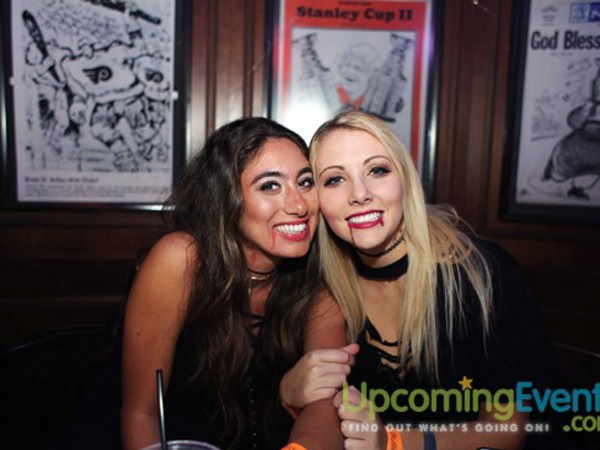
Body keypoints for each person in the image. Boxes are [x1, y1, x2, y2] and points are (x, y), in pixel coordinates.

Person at [280, 111, 581, 449]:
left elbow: (508, 431)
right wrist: (290, 392)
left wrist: (393, 441)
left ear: (405, 179)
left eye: (377, 170)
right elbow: (325, 408)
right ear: (316, 200)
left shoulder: (482, 275)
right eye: (335, 179)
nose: (360, 193)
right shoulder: (327, 287)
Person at [121, 117, 349, 450]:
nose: (299, 205)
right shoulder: (181, 259)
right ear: (226, 198)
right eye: (270, 186)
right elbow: (141, 413)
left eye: (305, 182)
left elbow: (327, 402)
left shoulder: (321, 275)